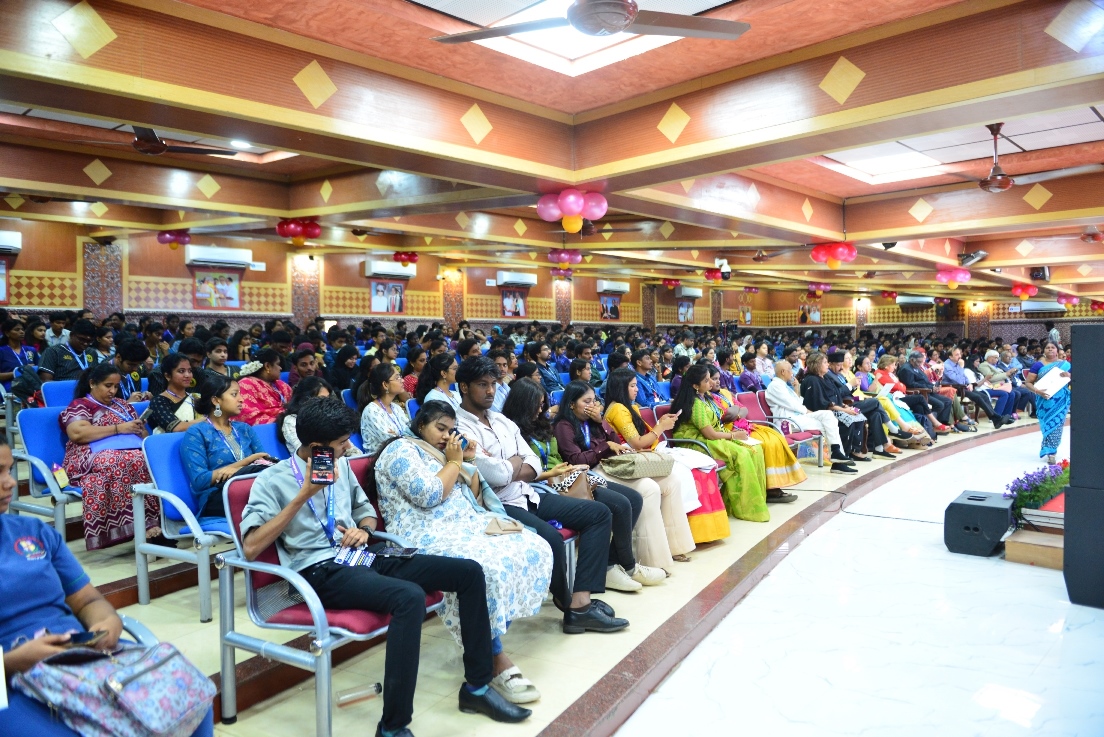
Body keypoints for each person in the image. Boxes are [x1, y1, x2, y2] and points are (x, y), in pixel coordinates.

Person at [241, 398, 531, 735]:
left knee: (467, 572)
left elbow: (365, 512)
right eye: (341, 443)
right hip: (319, 569)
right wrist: (303, 495)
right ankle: (393, 726)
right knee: (408, 597)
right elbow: (251, 547)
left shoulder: (339, 465)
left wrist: (363, 530)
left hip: (361, 554)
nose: (348, 448)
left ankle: (477, 688)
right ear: (318, 446)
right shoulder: (271, 480)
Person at [0, 434, 215, 737]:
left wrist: (107, 621)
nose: (10, 482)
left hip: (76, 653)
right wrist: (11, 662)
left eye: (9, 469)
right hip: (8, 679)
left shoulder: (33, 532)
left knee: (190, 702)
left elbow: (87, 600)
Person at [375, 399, 552, 704]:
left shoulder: (443, 453)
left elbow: (471, 497)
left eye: (451, 430)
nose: (446, 436)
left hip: (463, 524)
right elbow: (428, 495)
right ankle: (493, 656)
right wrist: (455, 463)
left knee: (532, 546)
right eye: (440, 428)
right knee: (487, 567)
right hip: (421, 535)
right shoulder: (400, 450)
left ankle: (483, 641)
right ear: (421, 425)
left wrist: (466, 461)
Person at [552, 381, 668, 586]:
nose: (592, 405)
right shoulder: (564, 425)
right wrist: (605, 447)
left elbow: (616, 442)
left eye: (594, 400)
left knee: (636, 498)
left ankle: (614, 562)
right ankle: (626, 566)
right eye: (586, 401)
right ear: (571, 404)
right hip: (581, 477)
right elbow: (576, 459)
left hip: (602, 469)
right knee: (622, 503)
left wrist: (601, 421)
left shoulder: (592, 421)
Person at [59, 363, 165, 549]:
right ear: (92, 383)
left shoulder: (123, 405)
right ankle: (137, 525)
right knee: (117, 461)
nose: (113, 391)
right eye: (108, 386)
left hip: (130, 451)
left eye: (116, 386)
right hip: (88, 455)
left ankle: (154, 520)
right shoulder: (80, 405)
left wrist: (138, 430)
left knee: (147, 459)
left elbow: (143, 435)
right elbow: (77, 434)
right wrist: (119, 428)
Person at [602, 368, 704, 554]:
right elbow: (637, 443)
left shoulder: (630, 407)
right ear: (620, 387)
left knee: (679, 476)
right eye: (632, 386)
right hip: (628, 459)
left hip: (641, 455)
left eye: (636, 385)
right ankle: (669, 542)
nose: (637, 390)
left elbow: (645, 436)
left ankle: (678, 543)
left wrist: (661, 422)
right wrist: (661, 427)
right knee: (678, 473)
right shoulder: (617, 409)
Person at [670, 365, 770, 521]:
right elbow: (710, 434)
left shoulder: (707, 397)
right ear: (695, 386)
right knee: (742, 455)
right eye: (706, 380)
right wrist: (734, 435)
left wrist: (734, 431)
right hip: (696, 442)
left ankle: (750, 501)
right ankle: (745, 507)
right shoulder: (695, 404)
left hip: (711, 438)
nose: (711, 382)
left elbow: (721, 421)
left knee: (754, 448)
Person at [704, 364, 806, 499]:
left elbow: (743, 409)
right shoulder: (706, 398)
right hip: (730, 430)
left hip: (745, 426)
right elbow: (724, 416)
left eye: (718, 378)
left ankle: (774, 484)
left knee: (775, 437)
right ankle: (769, 488)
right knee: (765, 444)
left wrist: (736, 413)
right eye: (713, 379)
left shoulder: (725, 393)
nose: (717, 381)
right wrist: (735, 413)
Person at [180, 375, 270, 518]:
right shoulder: (197, 432)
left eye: (240, 394)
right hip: (218, 495)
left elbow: (264, 462)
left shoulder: (244, 429)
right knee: (270, 497)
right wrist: (246, 462)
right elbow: (200, 481)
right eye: (234, 394)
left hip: (252, 486)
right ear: (216, 400)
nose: (241, 399)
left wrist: (237, 469)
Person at [766, 360, 854, 473]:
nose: (792, 373)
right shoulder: (775, 386)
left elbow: (798, 402)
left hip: (797, 417)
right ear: (783, 372)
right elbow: (792, 405)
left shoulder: (784, 386)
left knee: (828, 415)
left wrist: (796, 389)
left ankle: (837, 454)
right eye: (790, 370)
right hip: (788, 422)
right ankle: (838, 461)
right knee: (827, 425)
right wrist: (807, 411)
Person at [1023, 340, 1071, 464]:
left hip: (1060, 400)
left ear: (1057, 350)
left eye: (1052, 347)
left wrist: (1069, 375)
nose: (1050, 349)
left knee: (1057, 426)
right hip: (1044, 399)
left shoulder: (1066, 365)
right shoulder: (1038, 365)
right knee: (1047, 425)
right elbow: (1028, 383)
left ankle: (1051, 453)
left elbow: (1077, 379)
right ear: (1044, 350)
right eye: (1047, 347)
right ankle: (1048, 448)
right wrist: (1037, 391)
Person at [940, 347, 1011, 428]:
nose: (959, 356)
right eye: (956, 355)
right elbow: (958, 380)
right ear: (950, 357)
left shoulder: (957, 363)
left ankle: (995, 419)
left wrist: (970, 384)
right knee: (977, 397)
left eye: (959, 354)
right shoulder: (947, 366)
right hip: (954, 389)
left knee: (984, 396)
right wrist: (961, 367)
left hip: (963, 387)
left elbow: (965, 378)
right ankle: (996, 418)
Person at [278, 376, 340, 456]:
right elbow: (308, 453)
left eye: (328, 398)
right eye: (321, 399)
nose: (326, 403)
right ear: (305, 400)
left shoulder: (330, 416)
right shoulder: (291, 421)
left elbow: (349, 448)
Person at [360, 363, 413, 455]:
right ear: (385, 385)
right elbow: (392, 442)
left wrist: (399, 435)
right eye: (397, 378)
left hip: (404, 452)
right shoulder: (371, 411)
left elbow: (411, 431)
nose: (402, 380)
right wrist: (401, 436)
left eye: (400, 376)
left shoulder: (396, 407)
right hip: (382, 457)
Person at [148, 354, 204, 434]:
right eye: (181, 371)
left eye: (189, 371)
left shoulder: (196, 397)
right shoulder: (158, 402)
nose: (187, 375)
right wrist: (208, 421)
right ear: (167, 376)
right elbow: (176, 428)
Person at [237, 348, 292, 426]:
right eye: (278, 364)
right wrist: (283, 420)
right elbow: (247, 415)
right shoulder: (246, 385)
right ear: (267, 366)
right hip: (265, 429)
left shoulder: (282, 385)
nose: (280, 368)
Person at [0, 317, 39, 391]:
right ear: (7, 333)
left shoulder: (31, 350)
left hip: (32, 384)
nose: (21, 332)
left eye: (22, 329)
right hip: (11, 385)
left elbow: (39, 368)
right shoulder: (1, 351)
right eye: (17, 330)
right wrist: (19, 372)